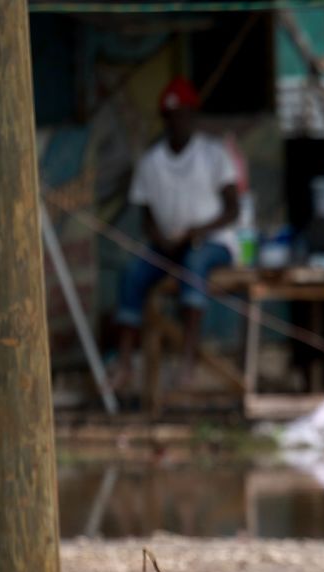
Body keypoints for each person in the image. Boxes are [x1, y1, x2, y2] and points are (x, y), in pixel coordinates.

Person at [112, 76, 241, 392]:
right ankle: (125, 364)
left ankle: (188, 361)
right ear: (165, 119)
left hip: (213, 244)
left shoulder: (214, 154)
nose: (179, 122)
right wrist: (163, 240)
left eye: (184, 114)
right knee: (132, 274)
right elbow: (146, 218)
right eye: (172, 116)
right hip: (167, 247)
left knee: (195, 263)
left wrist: (197, 231)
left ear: (193, 115)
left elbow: (232, 210)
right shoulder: (151, 162)